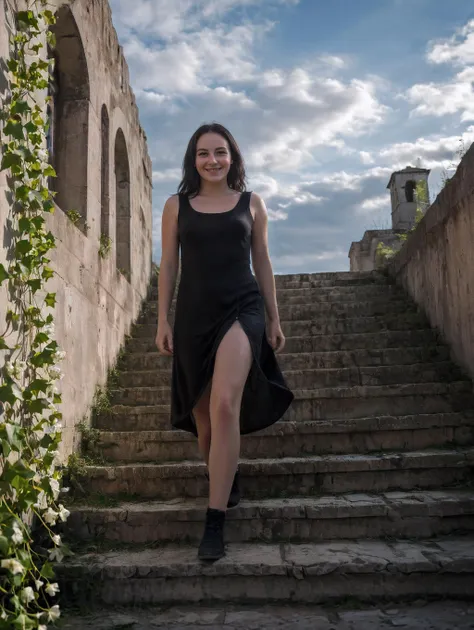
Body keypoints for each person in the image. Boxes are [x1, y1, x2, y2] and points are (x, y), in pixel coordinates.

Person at [155, 122, 294, 561]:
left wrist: (273, 317)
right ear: (192, 160)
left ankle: (214, 521)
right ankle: (226, 477)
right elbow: (168, 268)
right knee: (203, 418)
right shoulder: (176, 206)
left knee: (223, 402)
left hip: (242, 307)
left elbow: (263, 261)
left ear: (233, 157)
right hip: (194, 314)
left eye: (220, 152)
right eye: (203, 153)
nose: (212, 161)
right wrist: (161, 319)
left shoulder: (252, 204)